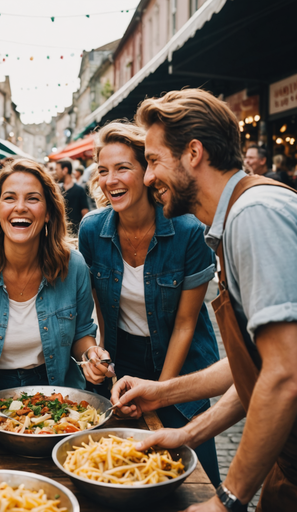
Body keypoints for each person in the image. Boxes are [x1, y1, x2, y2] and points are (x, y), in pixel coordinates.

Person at [112, 88, 297, 512]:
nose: (147, 177)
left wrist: (225, 500)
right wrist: (181, 422)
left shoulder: (254, 215)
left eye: (154, 160)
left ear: (193, 153)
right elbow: (258, 368)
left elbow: (285, 376)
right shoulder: (242, 213)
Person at [78, 121, 221, 486]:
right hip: (123, 361)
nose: (111, 180)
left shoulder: (187, 229)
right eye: (104, 170)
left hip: (182, 363)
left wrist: (162, 391)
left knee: (192, 474)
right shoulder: (93, 230)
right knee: (121, 470)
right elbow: (102, 311)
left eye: (123, 168)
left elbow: (187, 323)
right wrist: (100, 359)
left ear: (148, 172)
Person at [0, 158, 112, 404]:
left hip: (59, 393)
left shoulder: (74, 266)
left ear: (49, 212)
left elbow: (82, 332)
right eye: (9, 198)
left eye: (33, 198)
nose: (20, 207)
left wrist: (90, 353)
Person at [55, 159, 89, 232]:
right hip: (60, 232)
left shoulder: (79, 190)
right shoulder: (58, 190)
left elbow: (85, 212)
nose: (56, 173)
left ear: (65, 170)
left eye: (57, 170)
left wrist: (83, 231)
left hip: (75, 232)